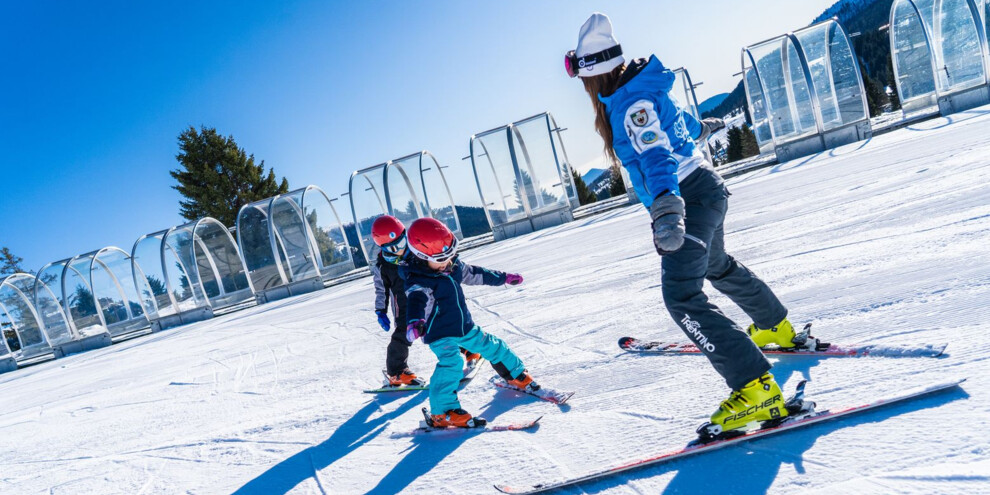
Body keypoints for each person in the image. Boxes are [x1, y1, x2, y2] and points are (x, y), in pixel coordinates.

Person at [566, 13, 799, 435]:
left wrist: (668, 210)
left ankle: (756, 386)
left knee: (682, 295)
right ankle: (774, 326)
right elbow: (681, 126)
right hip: (705, 188)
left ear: (592, 75)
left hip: (688, 197)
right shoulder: (640, 88)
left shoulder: (629, 105)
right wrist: (705, 127)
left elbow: (656, 156)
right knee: (716, 265)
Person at [400, 218, 530, 428]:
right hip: (439, 334)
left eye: (449, 255)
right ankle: (442, 413)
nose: (446, 262)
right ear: (421, 257)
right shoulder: (418, 281)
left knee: (493, 346)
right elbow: (417, 301)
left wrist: (504, 278)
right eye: (440, 259)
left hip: (464, 327)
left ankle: (516, 375)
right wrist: (415, 322)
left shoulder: (453, 267)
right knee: (452, 364)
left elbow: (479, 274)